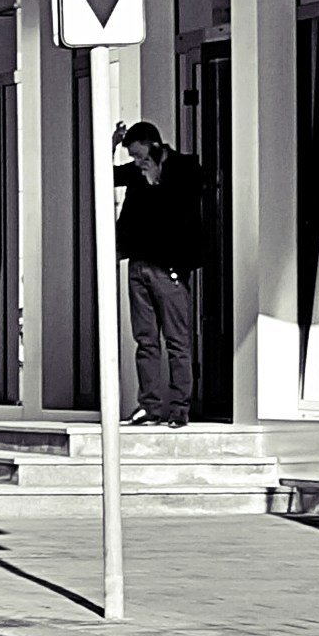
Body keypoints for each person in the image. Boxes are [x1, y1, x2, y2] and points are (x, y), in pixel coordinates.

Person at [114, 120, 212, 426]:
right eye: (133, 157)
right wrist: (111, 145)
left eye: (141, 155)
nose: (137, 163)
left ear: (156, 147)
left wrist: (154, 177)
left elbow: (183, 208)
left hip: (169, 267)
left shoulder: (186, 168)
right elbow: (104, 177)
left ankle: (180, 407)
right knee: (145, 340)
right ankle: (150, 406)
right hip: (139, 265)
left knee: (176, 340)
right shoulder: (136, 170)